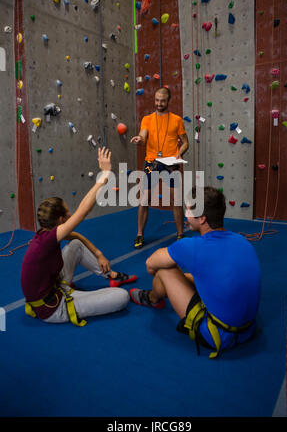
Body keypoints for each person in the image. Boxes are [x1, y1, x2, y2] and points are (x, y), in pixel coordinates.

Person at [129, 187, 261, 359]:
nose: (186, 215)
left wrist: (162, 276)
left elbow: (150, 264)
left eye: (189, 211)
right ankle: (164, 290)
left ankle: (153, 298)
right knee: (195, 275)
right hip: (248, 330)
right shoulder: (243, 241)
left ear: (202, 219)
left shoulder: (192, 246)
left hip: (218, 335)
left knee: (165, 270)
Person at [21, 147, 137, 326]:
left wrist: (98, 253)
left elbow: (75, 236)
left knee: (75, 244)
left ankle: (111, 276)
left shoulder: (45, 235)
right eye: (68, 213)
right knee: (121, 298)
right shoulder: (46, 242)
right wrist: (105, 174)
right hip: (52, 308)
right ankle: (82, 295)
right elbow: (83, 211)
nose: (71, 214)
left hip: (54, 287)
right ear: (61, 220)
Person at [130, 87, 189, 249]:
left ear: (169, 101)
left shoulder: (177, 120)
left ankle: (180, 234)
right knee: (144, 200)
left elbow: (185, 142)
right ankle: (140, 234)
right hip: (152, 163)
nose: (159, 103)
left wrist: (180, 153)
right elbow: (143, 136)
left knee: (176, 200)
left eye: (162, 101)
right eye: (156, 100)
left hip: (171, 163)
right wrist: (139, 139)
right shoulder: (147, 119)